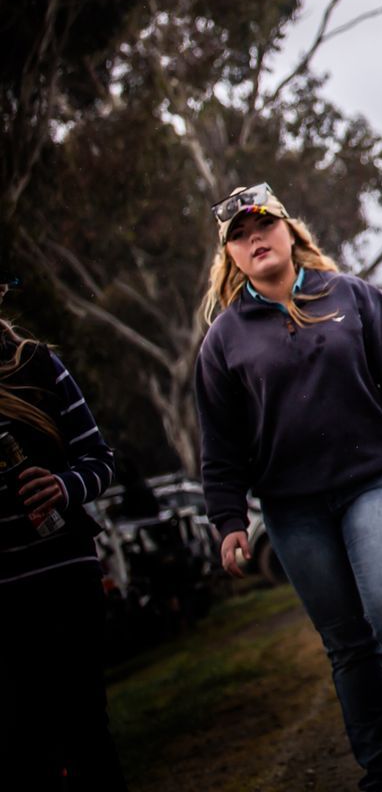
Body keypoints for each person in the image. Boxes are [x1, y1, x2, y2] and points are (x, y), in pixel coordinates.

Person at [194, 184, 382, 792]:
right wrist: (227, 522)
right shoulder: (223, 342)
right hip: (292, 510)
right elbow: (219, 446)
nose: (255, 239)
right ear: (232, 256)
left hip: (371, 483)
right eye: (240, 236)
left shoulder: (350, 297)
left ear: (287, 231)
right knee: (348, 644)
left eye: (263, 226)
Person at [2, 308, 127, 791]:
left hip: (62, 576)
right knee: (18, 745)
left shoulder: (37, 365)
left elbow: (99, 460)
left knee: (84, 731)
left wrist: (63, 485)